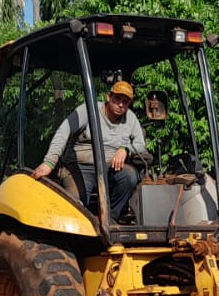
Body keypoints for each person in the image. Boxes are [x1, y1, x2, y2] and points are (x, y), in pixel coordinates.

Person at [32, 80, 148, 223]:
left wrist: (125, 149)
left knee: (130, 176)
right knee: (74, 205)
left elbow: (140, 144)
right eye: (117, 99)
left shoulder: (130, 118)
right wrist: (49, 162)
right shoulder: (89, 110)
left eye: (125, 101)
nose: (120, 104)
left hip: (109, 168)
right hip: (80, 167)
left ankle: (109, 220)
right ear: (108, 97)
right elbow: (64, 130)